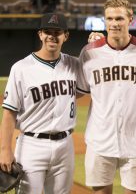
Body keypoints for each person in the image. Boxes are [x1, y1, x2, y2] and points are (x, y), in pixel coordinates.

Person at [76, 0, 136, 194]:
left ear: (130, 19)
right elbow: (79, 90)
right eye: (110, 18)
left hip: (135, 141)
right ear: (105, 20)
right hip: (100, 139)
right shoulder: (89, 52)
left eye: (119, 19)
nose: (114, 23)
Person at [0, 13, 79, 193]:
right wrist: (4, 150)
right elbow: (9, 113)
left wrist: (96, 41)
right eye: (47, 31)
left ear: (65, 36)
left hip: (65, 145)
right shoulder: (21, 68)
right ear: (40, 35)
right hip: (31, 146)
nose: (52, 36)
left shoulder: (74, 64)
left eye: (57, 32)